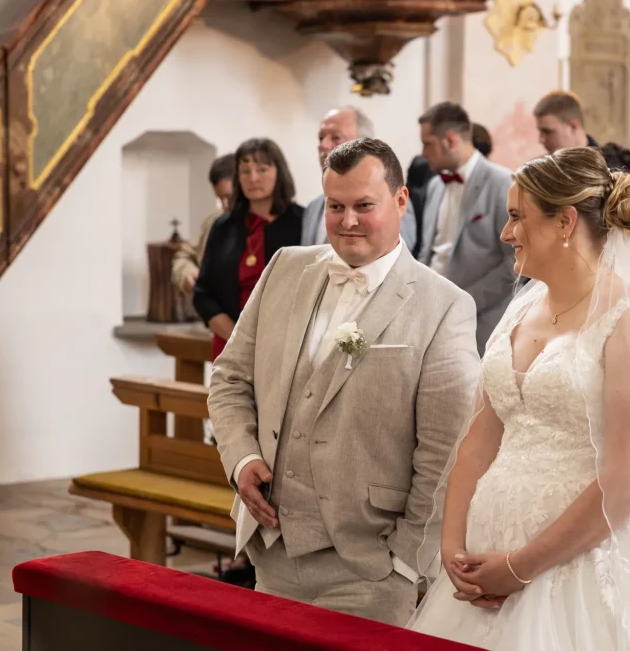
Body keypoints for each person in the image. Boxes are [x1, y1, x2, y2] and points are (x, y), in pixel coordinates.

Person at [408, 146, 630, 650]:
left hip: (594, 559)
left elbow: (629, 481)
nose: (506, 234)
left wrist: (520, 568)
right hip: (491, 548)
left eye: (516, 218)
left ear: (565, 221)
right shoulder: (519, 313)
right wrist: (453, 543)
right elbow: (479, 441)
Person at [207, 138, 481, 626]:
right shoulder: (285, 269)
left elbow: (444, 453)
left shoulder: (444, 306)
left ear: (400, 202)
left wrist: (403, 563)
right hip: (271, 554)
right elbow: (229, 378)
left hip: (369, 571)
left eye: (363, 206)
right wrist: (243, 456)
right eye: (336, 206)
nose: (347, 220)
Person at [533, 90, 630, 306]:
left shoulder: (611, 170)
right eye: (540, 132)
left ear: (574, 126)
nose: (542, 140)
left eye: (548, 131)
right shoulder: (543, 173)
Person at [416, 102, 516, 353]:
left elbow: (513, 262)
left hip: (481, 322)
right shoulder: (435, 186)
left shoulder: (503, 183)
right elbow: (429, 251)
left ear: (449, 140)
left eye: (427, 143)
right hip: (430, 315)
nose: (423, 152)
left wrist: (463, 303)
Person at [193, 139, 303, 360]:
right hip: (230, 345)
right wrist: (238, 338)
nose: (253, 178)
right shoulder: (223, 226)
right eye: (245, 171)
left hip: (286, 347)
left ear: (279, 172)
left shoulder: (300, 222)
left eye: (262, 169)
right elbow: (203, 294)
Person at [301, 106, 417, 251]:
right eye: (321, 137)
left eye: (336, 137)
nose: (323, 145)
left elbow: (397, 258)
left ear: (363, 143)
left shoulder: (391, 197)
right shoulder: (313, 207)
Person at [172, 155, 234, 295]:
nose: (224, 205)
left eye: (230, 197)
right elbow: (185, 255)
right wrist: (187, 273)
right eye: (220, 198)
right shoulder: (214, 221)